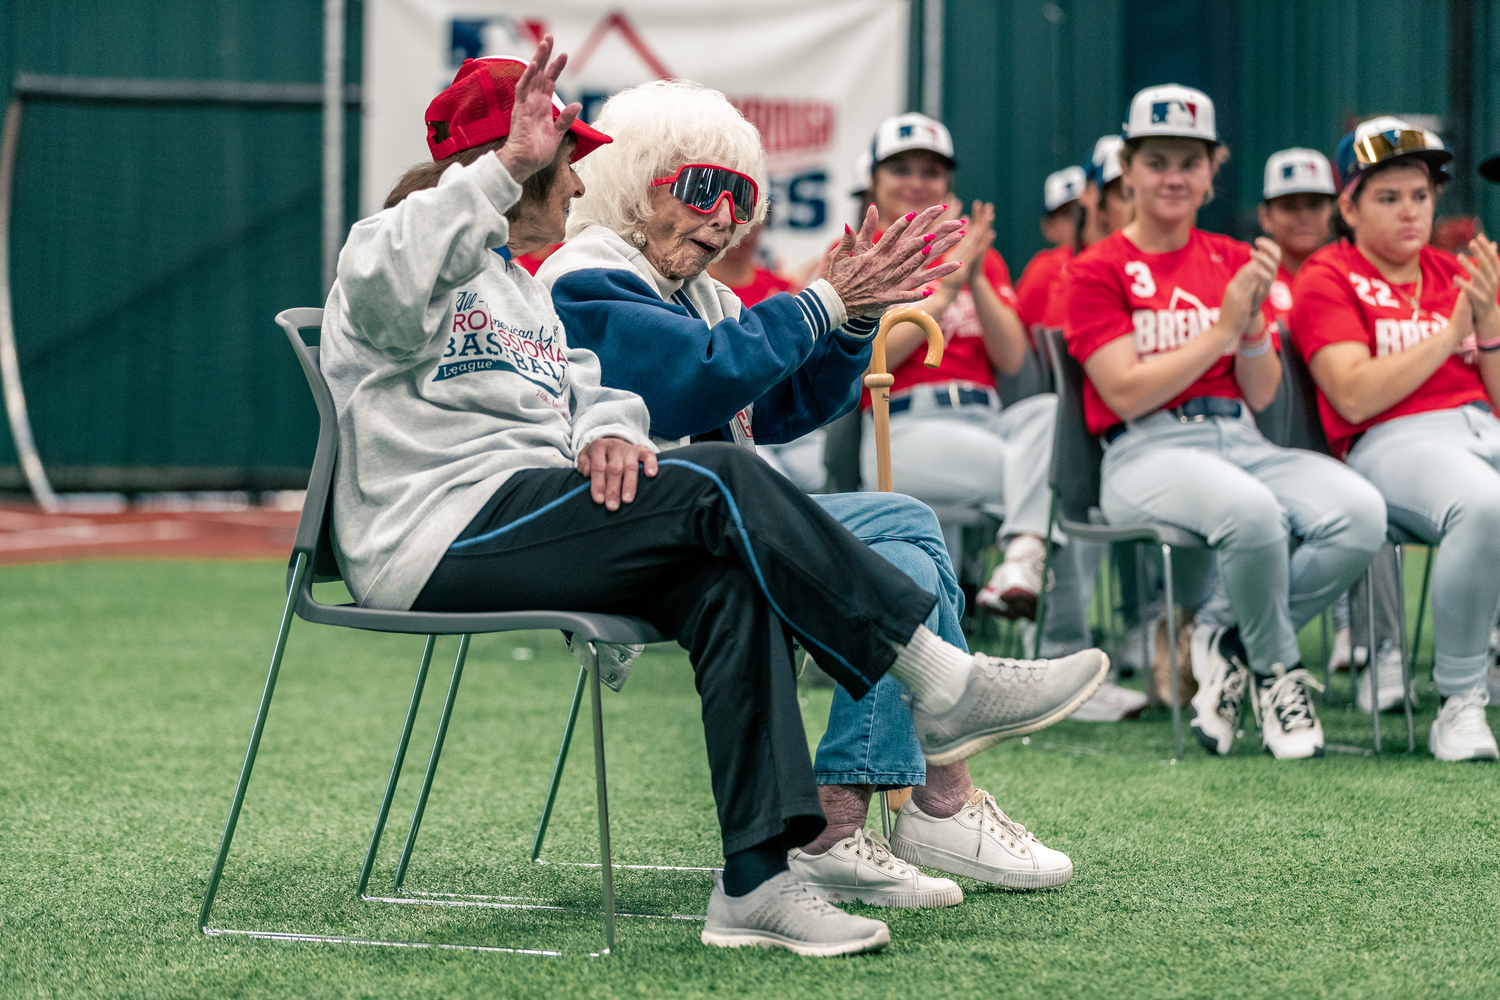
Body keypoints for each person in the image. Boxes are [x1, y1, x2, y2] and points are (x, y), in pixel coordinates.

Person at [325, 43, 1109, 955]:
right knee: (728, 477)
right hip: (438, 532)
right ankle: (941, 684)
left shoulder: (529, 296)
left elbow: (602, 396)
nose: (576, 185)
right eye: (563, 161)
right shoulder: (394, 252)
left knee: (726, 587)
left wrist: (607, 431)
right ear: (515, 157)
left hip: (531, 512)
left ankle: (761, 880)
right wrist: (507, 165)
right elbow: (392, 289)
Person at [539, 88, 1101, 908]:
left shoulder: (692, 290)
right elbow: (696, 377)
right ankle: (926, 799)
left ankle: (857, 821)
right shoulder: (584, 274)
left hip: (710, 524)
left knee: (906, 527)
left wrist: (853, 319)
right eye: (702, 188)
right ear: (631, 181)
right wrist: (824, 300)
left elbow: (779, 407)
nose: (725, 214)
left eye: (742, 195)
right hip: (628, 538)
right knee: (895, 534)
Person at [1063, 83, 1388, 760]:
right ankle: (1276, 673)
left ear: (1213, 171)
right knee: (1253, 511)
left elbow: (1264, 390)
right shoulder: (1098, 267)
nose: (1174, 176)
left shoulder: (1234, 258)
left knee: (1360, 511)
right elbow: (1123, 391)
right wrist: (1219, 329)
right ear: (1129, 168)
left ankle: (1219, 636)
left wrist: (1248, 331)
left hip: (1238, 435)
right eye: (1157, 160)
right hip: (1142, 451)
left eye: (1190, 160)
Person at [1291, 117, 1500, 761]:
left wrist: (1488, 327)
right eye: (1388, 197)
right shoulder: (1328, 276)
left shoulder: (1454, 271)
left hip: (1478, 427)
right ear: (1347, 207)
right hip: (1388, 442)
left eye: (1421, 195)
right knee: (1486, 505)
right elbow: (1352, 394)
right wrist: (1451, 332)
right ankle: (1461, 704)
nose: (1410, 211)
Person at [1014, 166, 1085, 329]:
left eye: (1082, 212)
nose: (1079, 222)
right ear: (1049, 227)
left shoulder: (1109, 255)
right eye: (1069, 215)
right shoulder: (1045, 266)